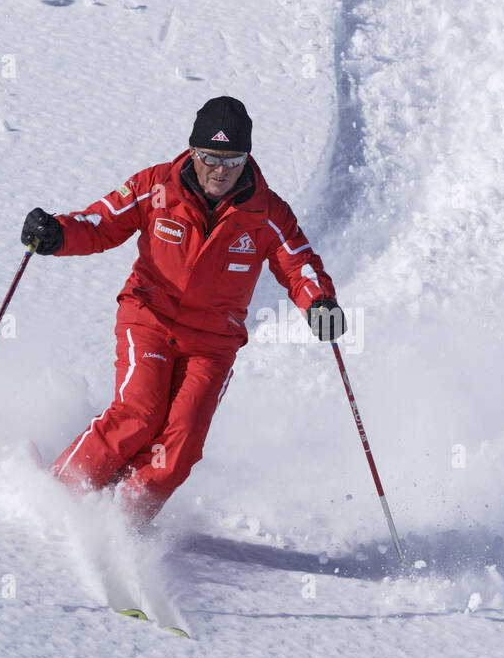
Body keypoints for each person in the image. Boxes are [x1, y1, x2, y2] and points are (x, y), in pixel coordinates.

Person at [21, 96, 345, 527]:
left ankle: (118, 521)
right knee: (139, 413)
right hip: (149, 316)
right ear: (193, 151)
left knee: (182, 443)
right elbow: (102, 224)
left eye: (232, 159)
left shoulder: (266, 211)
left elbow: (296, 262)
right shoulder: (155, 187)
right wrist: (58, 234)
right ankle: (57, 494)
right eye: (210, 156)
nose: (220, 169)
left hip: (212, 343)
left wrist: (319, 300)